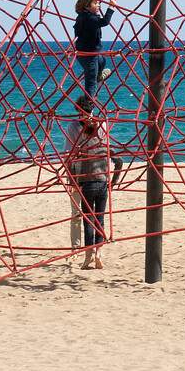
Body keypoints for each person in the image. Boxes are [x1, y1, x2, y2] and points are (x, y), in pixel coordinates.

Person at [67, 97, 113, 270]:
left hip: (85, 180)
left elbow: (70, 157)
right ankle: (97, 253)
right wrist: (111, 180)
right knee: (98, 219)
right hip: (101, 180)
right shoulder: (101, 127)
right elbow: (115, 158)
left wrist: (71, 179)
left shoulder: (82, 139)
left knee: (86, 218)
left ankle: (88, 255)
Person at [73, 0, 114, 100]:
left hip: (85, 54)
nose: (99, 5)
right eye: (95, 3)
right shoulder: (89, 18)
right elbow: (105, 22)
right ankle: (87, 108)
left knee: (102, 61)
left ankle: (98, 76)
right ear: (86, 6)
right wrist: (111, 7)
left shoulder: (82, 17)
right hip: (89, 56)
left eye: (99, 3)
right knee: (90, 84)